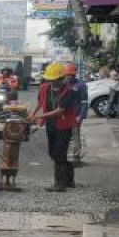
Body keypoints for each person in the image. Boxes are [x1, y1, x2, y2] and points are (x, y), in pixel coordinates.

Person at [32, 63, 79, 192]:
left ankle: (60, 183)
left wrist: (39, 117)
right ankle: (69, 179)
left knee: (59, 153)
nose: (52, 82)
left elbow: (60, 111)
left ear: (61, 79)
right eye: (50, 80)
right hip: (51, 125)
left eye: (55, 80)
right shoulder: (44, 88)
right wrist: (32, 114)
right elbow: (39, 101)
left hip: (64, 126)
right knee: (53, 152)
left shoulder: (69, 92)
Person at [66, 63, 87, 164]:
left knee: (75, 135)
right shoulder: (64, 85)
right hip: (65, 115)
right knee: (65, 135)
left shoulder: (81, 86)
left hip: (76, 115)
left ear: (74, 75)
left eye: (70, 75)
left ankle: (76, 156)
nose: (68, 77)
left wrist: (81, 116)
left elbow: (84, 102)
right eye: (67, 75)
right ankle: (65, 155)